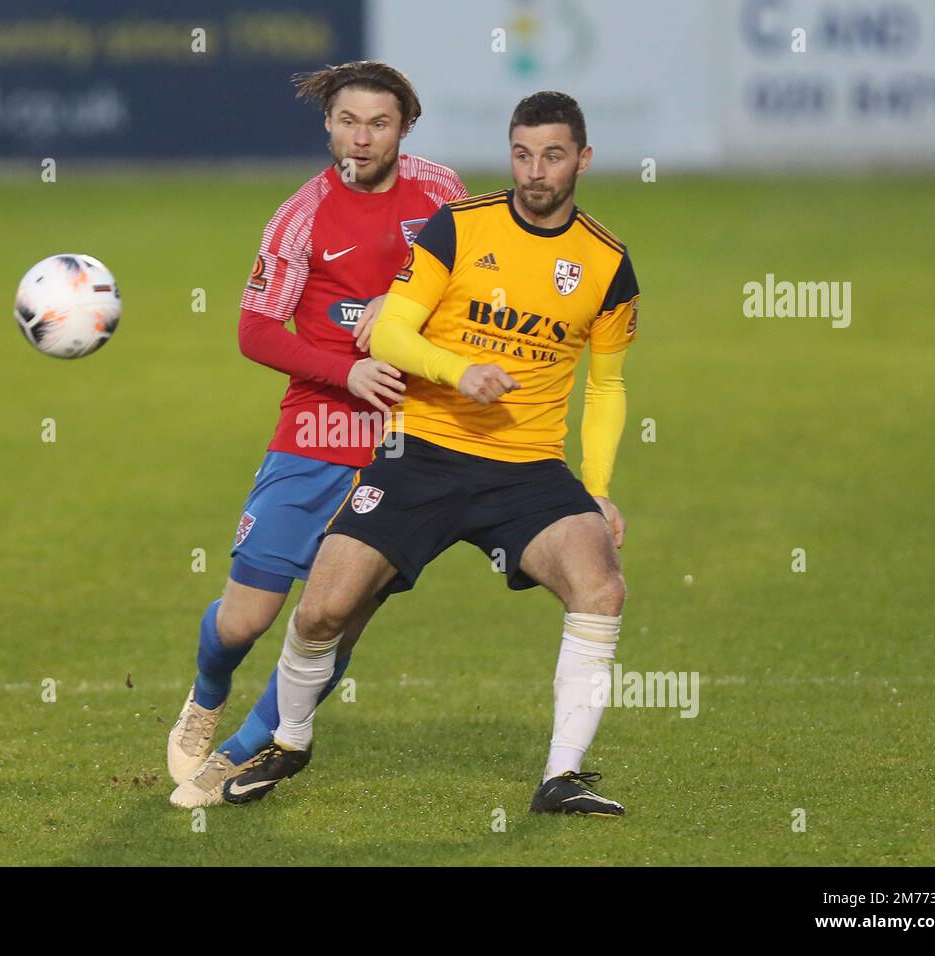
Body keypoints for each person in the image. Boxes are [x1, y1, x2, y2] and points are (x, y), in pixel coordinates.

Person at [222, 91, 639, 815]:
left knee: (601, 585)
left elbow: (607, 386)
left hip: (528, 469)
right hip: (424, 451)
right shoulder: (458, 227)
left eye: (553, 155)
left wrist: (598, 489)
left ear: (583, 158)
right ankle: (289, 741)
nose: (536, 172)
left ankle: (561, 776)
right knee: (322, 611)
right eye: (522, 154)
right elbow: (391, 334)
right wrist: (458, 372)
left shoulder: (607, 264)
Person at [167, 61, 467, 808]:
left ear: (406, 128)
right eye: (347, 121)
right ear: (327, 124)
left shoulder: (445, 195)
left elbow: (475, 290)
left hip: (407, 442)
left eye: (379, 123)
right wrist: (349, 374)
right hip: (316, 428)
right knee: (246, 619)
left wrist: (408, 322)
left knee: (336, 615)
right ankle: (207, 696)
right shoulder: (300, 215)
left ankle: (243, 752)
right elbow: (254, 331)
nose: (361, 139)